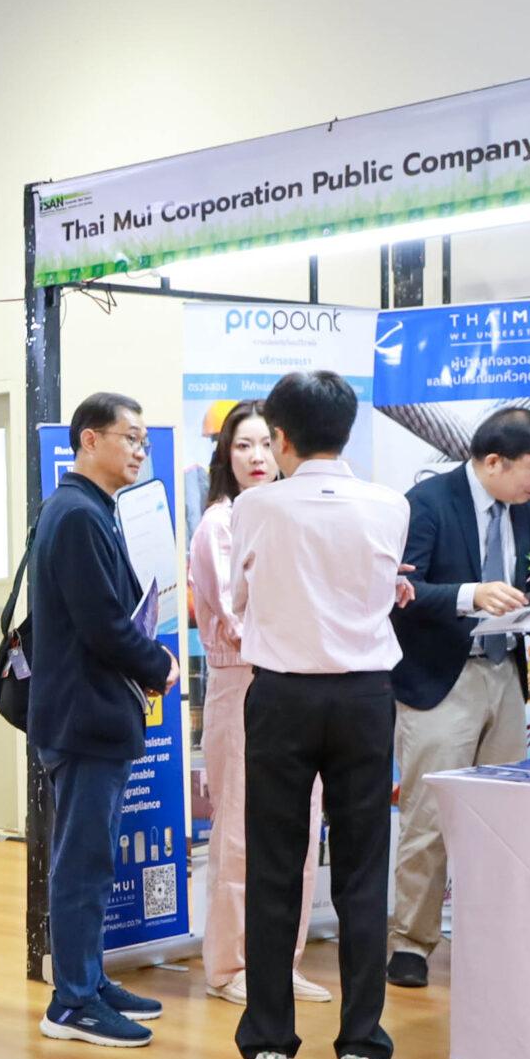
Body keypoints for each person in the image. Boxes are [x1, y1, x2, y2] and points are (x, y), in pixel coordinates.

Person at [227, 370, 413, 1059]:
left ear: (281, 438)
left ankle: (269, 1049)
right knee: (363, 872)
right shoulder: (390, 504)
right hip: (365, 697)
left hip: (281, 695)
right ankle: (362, 1053)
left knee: (274, 867)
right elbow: (377, 590)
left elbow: (240, 598)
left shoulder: (255, 506)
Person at [25, 391, 177, 1049]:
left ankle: (89, 979)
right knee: (82, 864)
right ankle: (72, 1002)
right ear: (90, 439)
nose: (140, 450)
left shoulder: (91, 509)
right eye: (130, 438)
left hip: (92, 714)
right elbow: (104, 626)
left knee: (92, 859)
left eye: (143, 441)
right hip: (84, 717)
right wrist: (159, 662)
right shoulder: (78, 515)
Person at [388, 406, 530, 990]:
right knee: (429, 817)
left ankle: (494, 934)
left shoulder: (527, 512)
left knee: (503, 816)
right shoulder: (428, 503)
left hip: (504, 675)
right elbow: (401, 592)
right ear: (493, 462)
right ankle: (411, 942)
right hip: (441, 680)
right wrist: (471, 594)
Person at [187, 403, 327, 1006]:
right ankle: (229, 966)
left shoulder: (291, 515)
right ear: (226, 454)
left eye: (266, 444)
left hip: (301, 683)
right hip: (243, 684)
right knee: (240, 833)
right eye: (243, 445)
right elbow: (236, 613)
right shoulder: (219, 524)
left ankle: (282, 961)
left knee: (300, 828)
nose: (257, 457)